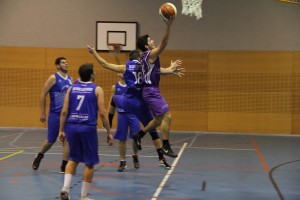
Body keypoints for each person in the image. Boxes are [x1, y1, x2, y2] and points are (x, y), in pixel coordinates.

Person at [87, 45, 181, 168]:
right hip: (143, 104)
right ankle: (161, 157)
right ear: (139, 57)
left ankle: (107, 123)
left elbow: (105, 64)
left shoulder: (126, 66)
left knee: (115, 98)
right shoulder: (145, 66)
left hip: (129, 103)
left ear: (130, 59)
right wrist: (170, 70)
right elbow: (159, 70)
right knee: (153, 129)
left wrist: (94, 53)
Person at [59, 63, 113, 200]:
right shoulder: (97, 89)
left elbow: (64, 111)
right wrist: (109, 131)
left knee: (73, 158)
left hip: (71, 126)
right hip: (87, 128)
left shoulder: (71, 89)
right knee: (89, 163)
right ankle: (83, 196)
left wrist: (61, 130)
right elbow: (102, 112)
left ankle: (65, 188)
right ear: (91, 75)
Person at [135, 17, 184, 157]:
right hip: (151, 91)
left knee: (157, 120)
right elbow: (164, 44)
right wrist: (168, 26)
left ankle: (139, 135)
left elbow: (158, 71)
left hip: (150, 90)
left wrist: (170, 70)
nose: (152, 41)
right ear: (146, 46)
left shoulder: (146, 57)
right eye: (150, 40)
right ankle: (166, 146)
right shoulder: (150, 54)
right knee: (167, 116)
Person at [32, 57, 73, 173]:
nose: (66, 64)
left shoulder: (70, 79)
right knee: (51, 140)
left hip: (67, 115)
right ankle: (39, 156)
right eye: (63, 62)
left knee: (67, 139)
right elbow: (43, 94)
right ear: (58, 66)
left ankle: (64, 166)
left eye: (67, 62)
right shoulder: (53, 78)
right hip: (55, 114)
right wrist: (42, 112)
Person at [108, 73, 140, 172]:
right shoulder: (115, 87)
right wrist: (109, 120)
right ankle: (122, 161)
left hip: (133, 114)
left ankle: (135, 155)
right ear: (118, 74)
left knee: (136, 137)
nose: (123, 73)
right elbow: (111, 103)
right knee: (122, 139)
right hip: (121, 115)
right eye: (121, 71)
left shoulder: (132, 85)